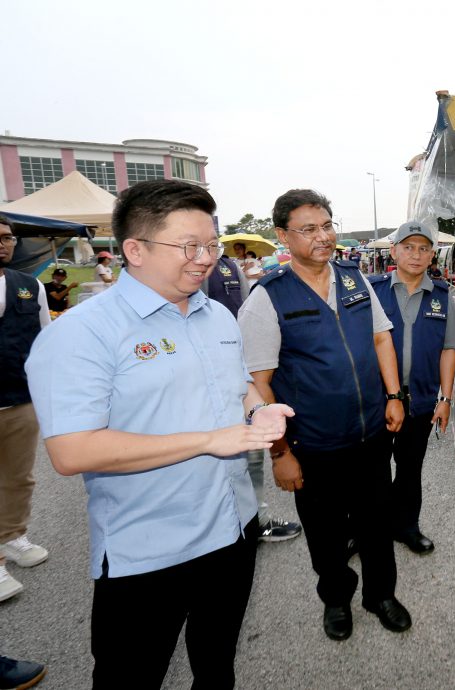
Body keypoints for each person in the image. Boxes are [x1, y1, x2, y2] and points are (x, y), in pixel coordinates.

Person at [24, 180, 293, 689]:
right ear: (134, 250)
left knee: (217, 669)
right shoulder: (82, 333)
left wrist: (260, 411)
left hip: (231, 531)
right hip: (146, 552)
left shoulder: (217, 315)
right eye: (189, 246)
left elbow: (238, 390)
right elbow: (72, 449)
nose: (206, 258)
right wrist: (208, 440)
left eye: (212, 244)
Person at [237, 189, 410, 640]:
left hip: (370, 434)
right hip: (312, 444)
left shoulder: (355, 280)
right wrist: (279, 453)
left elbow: (381, 340)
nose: (324, 236)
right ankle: (336, 599)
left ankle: (380, 595)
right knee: (325, 534)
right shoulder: (267, 297)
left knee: (376, 522)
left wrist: (395, 395)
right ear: (282, 236)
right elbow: (258, 384)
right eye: (309, 229)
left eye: (328, 225)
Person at [368, 221, 455, 555]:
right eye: (408, 247)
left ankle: (406, 526)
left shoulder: (442, 296)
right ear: (393, 251)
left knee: (410, 469)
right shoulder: (372, 290)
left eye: (423, 248)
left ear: (432, 255)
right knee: (371, 473)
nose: (416, 255)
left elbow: (448, 349)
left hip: (420, 401)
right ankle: (367, 530)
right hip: (377, 401)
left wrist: (445, 398)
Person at [204, 241, 301, 543]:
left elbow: (243, 308)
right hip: (209, 385)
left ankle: (255, 519)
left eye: (209, 243)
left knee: (251, 456)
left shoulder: (230, 267)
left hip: (236, 367)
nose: (205, 254)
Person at [0, 214, 51, 604]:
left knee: (18, 477)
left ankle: (13, 536)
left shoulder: (29, 286)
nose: (4, 243)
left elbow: (45, 342)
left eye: (8, 237)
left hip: (18, 398)